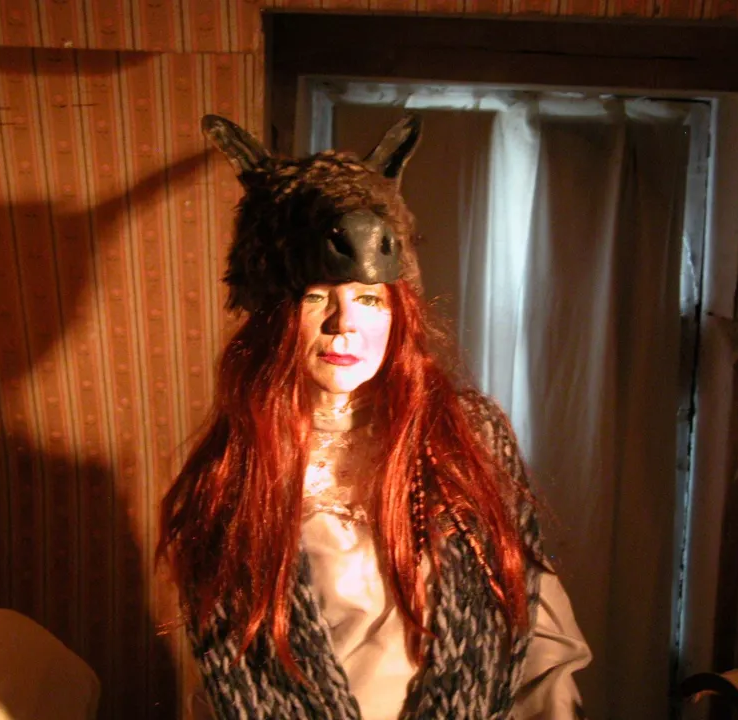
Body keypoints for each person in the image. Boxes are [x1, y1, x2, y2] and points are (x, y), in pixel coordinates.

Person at [157, 114, 590, 719]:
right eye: (316, 298)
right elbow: (228, 682)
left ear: (398, 310)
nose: (345, 326)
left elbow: (537, 638)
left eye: (368, 298)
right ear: (274, 317)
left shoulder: (469, 442)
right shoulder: (238, 475)